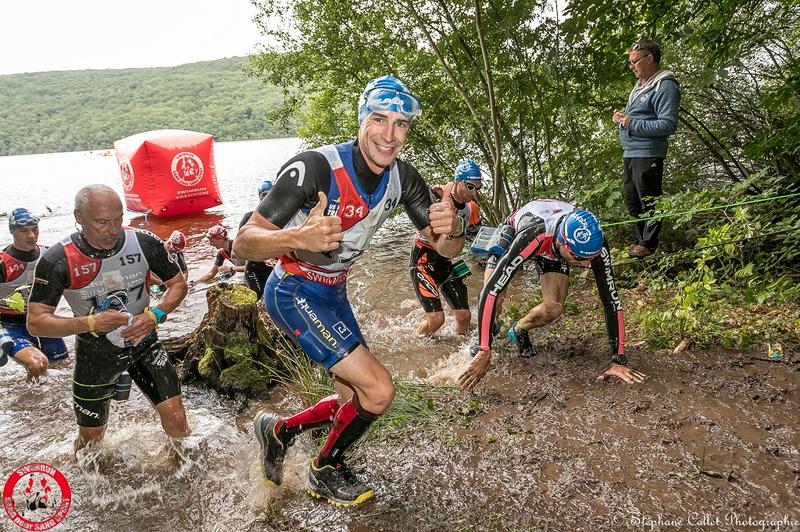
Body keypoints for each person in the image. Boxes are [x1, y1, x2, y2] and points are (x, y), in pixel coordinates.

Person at [234, 75, 462, 506]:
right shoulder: (316, 168)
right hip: (293, 290)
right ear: (361, 120)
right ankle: (324, 469)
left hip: (334, 292)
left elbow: (444, 248)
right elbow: (242, 243)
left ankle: (279, 431)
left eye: (400, 124)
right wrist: (296, 237)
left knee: (353, 399)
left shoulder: (403, 178)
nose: (390, 135)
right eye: (379, 120)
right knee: (379, 390)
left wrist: (454, 227)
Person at [27, 185, 190, 451]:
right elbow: (36, 322)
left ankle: (184, 471)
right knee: (91, 442)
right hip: (95, 354)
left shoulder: (144, 242)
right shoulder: (58, 259)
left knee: (178, 424)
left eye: (118, 219)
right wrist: (90, 323)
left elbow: (178, 285)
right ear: (79, 217)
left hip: (144, 342)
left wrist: (156, 314)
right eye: (102, 222)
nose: (113, 230)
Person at [458, 200, 646, 391]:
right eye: (579, 258)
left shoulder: (594, 242)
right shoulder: (534, 235)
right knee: (496, 299)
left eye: (591, 258)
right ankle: (482, 338)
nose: (587, 265)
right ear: (562, 241)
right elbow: (490, 292)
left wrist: (618, 359)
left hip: (553, 249)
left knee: (554, 307)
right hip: (518, 234)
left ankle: (519, 329)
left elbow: (611, 300)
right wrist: (484, 349)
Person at [612, 39, 680, 259]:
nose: (631, 66)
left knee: (649, 199)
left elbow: (667, 125)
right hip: (631, 152)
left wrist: (631, 123)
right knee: (632, 198)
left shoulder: (665, 85)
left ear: (649, 58)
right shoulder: (640, 85)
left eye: (634, 61)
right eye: (630, 62)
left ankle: (649, 244)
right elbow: (636, 118)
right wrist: (621, 119)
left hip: (649, 152)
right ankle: (638, 240)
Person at [410, 159, 482, 336]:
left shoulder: (470, 208)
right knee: (437, 320)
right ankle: (418, 342)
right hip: (423, 261)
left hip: (446, 262)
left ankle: (458, 348)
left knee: (465, 317)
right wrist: (433, 195)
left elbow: (471, 234)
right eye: (470, 186)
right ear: (457, 181)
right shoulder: (437, 196)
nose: (474, 192)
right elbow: (419, 206)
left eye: (478, 188)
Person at [0, 208, 68, 381]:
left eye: (34, 229)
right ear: (12, 231)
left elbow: (73, 288)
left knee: (62, 366)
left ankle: (40, 397)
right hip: (11, 325)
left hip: (43, 320)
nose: (31, 235)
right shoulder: (3, 264)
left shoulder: (49, 255)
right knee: (37, 364)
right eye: (24, 230)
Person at [238, 181, 277, 299]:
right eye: (264, 194)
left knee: (274, 298)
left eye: (270, 194)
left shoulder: (281, 216)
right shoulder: (249, 217)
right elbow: (240, 244)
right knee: (258, 296)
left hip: (274, 267)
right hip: (254, 268)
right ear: (259, 196)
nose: (267, 198)